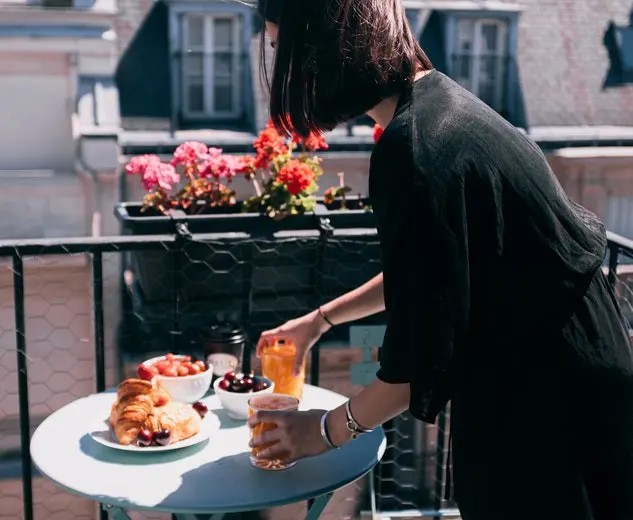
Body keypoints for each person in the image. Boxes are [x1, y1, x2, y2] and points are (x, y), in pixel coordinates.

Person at [247, 1, 633, 519]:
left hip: (543, 405)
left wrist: (319, 433)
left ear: (319, 48)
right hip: (572, 374)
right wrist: (319, 321)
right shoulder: (441, 105)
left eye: (280, 47)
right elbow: (438, 272)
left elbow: (417, 361)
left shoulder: (414, 148)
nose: (280, 67)